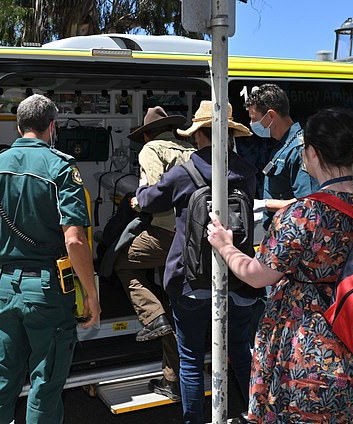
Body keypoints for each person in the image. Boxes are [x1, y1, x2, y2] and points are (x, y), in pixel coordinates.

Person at [207, 107, 353, 422]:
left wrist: (225, 246)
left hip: (314, 351)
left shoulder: (304, 213)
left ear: (311, 153)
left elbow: (257, 276)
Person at [0, 94, 101, 424]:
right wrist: (91, 295)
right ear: (52, 127)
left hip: (5, 289)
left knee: (2, 382)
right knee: (44, 385)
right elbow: (74, 239)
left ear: (18, 126)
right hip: (47, 292)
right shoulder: (61, 168)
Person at [135, 100, 260, 424]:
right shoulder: (246, 171)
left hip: (190, 279)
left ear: (198, 136)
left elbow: (149, 200)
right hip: (239, 276)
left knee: (190, 359)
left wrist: (141, 188)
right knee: (240, 352)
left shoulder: (185, 172)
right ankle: (254, 413)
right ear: (230, 134)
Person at [113, 106, 195, 401]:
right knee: (177, 307)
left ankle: (152, 316)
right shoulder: (190, 148)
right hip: (194, 240)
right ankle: (172, 380)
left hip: (166, 237)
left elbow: (156, 195)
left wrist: (137, 203)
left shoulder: (151, 149)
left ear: (146, 133)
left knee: (120, 261)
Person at [244, 83, 318, 230]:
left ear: (271, 115)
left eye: (254, 119)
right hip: (277, 234)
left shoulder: (299, 148)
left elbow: (309, 204)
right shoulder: (281, 146)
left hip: (292, 239)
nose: (252, 124)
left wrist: (265, 204)